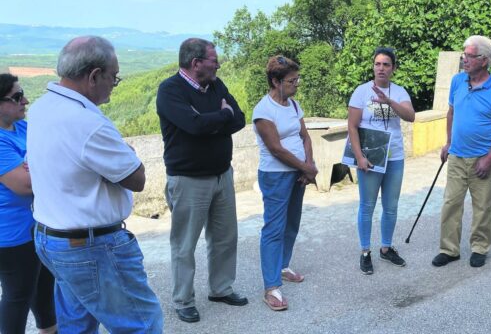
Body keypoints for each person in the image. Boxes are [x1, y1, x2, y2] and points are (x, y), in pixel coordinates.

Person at [28, 36, 163, 332]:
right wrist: (127, 153)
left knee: (77, 324)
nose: (115, 84)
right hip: (91, 246)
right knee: (141, 324)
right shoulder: (87, 123)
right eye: (113, 77)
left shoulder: (40, 108)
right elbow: (137, 178)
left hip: (52, 239)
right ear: (93, 76)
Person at [156, 38, 247, 323]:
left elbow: (240, 120)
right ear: (196, 64)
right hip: (188, 180)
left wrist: (212, 120)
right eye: (213, 60)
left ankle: (220, 288)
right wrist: (221, 115)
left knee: (224, 237)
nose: (217, 64)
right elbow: (194, 126)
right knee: (184, 243)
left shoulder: (216, 85)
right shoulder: (170, 90)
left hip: (222, 174)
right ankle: (183, 300)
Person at [432, 35, 491, 269]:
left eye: (469, 56)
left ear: (484, 60)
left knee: (483, 205)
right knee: (451, 203)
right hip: (457, 155)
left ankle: (479, 247)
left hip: (482, 158)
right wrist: (448, 143)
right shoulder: (457, 81)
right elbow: (451, 113)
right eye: (464, 54)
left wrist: (488, 159)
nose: (464, 59)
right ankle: (449, 249)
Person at [253, 56, 317, 311]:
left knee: (292, 223)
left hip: (299, 173)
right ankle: (271, 287)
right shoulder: (263, 111)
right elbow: (276, 149)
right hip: (276, 175)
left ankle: (283, 265)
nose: (296, 85)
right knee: (274, 228)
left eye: (297, 79)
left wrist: (308, 164)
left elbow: (305, 136)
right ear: (276, 81)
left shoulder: (292, 104)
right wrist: (306, 168)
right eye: (291, 81)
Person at [347, 47, 416, 275]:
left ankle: (386, 248)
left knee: (391, 206)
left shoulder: (399, 92)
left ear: (393, 69)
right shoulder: (361, 92)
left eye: (386, 65)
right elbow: (352, 126)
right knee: (367, 206)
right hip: (370, 156)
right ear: (373, 66)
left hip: (394, 156)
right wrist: (359, 156)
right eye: (378, 64)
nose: (381, 68)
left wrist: (388, 101)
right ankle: (365, 251)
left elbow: (410, 116)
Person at [0, 74, 57, 334]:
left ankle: (50, 330)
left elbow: (54, 154)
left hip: (36, 226)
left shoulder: (21, 128)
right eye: (16, 97)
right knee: (18, 296)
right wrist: (35, 165)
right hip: (11, 234)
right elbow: (24, 185)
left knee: (44, 287)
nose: (26, 100)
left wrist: (34, 166)